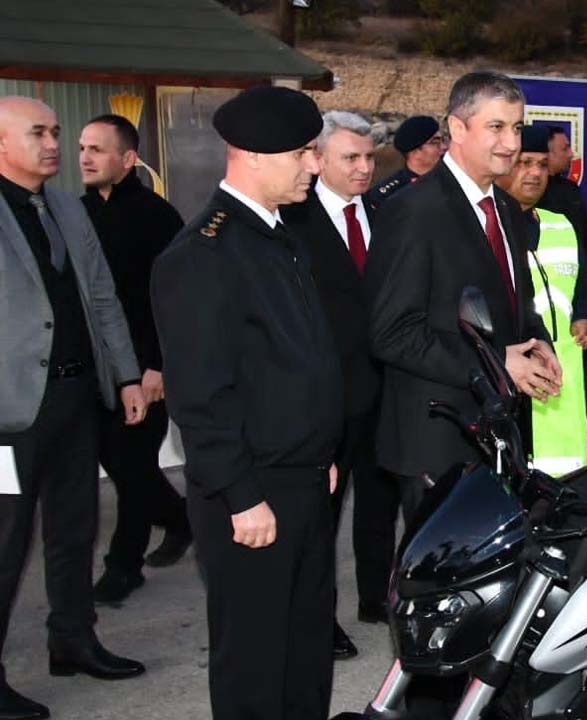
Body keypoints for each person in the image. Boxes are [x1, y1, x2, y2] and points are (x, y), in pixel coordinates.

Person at [152, 85, 343, 720]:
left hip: (303, 475)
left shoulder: (278, 234)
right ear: (254, 156)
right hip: (253, 492)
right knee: (255, 662)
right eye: (304, 152)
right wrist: (239, 493)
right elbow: (200, 393)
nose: (314, 165)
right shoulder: (203, 254)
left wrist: (324, 452)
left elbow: (298, 357)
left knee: (306, 650)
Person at [0, 95, 147, 720]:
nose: (55, 143)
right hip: (7, 413)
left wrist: (127, 375)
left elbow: (101, 293)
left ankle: (73, 638)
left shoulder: (64, 206)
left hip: (74, 396)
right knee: (4, 545)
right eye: (39, 132)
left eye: (57, 131)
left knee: (74, 528)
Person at [365, 71, 560, 518]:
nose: (511, 143)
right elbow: (392, 333)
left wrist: (537, 339)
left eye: (516, 127)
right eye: (496, 127)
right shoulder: (412, 212)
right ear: (456, 129)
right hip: (437, 440)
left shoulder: (506, 208)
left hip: (497, 433)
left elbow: (515, 301)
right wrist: (496, 363)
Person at [279, 110, 401, 660]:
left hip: (383, 389)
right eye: (350, 158)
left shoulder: (384, 212)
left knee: (381, 501)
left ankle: (377, 597)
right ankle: (314, 617)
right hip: (325, 396)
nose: (363, 168)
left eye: (369, 158)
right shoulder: (290, 223)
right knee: (320, 515)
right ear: (318, 159)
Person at [78, 114, 193, 606]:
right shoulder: (72, 214)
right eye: (82, 148)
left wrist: (158, 367)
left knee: (132, 465)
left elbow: (172, 300)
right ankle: (183, 519)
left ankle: (123, 566)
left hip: (147, 369)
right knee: (125, 466)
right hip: (95, 371)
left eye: (98, 149)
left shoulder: (157, 216)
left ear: (127, 159)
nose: (84, 157)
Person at [496, 125, 587, 475]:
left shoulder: (560, 225)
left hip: (564, 373)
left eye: (542, 165)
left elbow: (585, 285)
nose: (535, 173)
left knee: (567, 473)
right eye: (525, 163)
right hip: (513, 376)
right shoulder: (485, 230)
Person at [538, 125, 587, 431]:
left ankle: (583, 426)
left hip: (573, 312)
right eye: (564, 148)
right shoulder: (506, 220)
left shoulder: (568, 193)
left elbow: (582, 260)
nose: (571, 153)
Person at [366, 115, 442, 210]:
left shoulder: (452, 182)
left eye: (442, 141)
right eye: (435, 142)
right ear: (415, 152)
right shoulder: (387, 195)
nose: (443, 147)